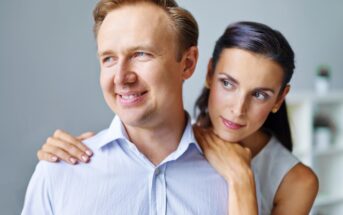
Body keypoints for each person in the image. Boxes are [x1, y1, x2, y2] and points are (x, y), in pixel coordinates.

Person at [37, 21, 320, 214]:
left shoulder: (297, 181)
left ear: (279, 99)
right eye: (228, 84)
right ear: (208, 74)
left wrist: (242, 180)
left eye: (259, 94)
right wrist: (77, 153)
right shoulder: (182, 140)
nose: (238, 108)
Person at [22, 0, 229, 214]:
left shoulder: (235, 174)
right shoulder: (58, 174)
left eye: (141, 54)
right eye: (109, 58)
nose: (121, 78)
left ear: (187, 63)